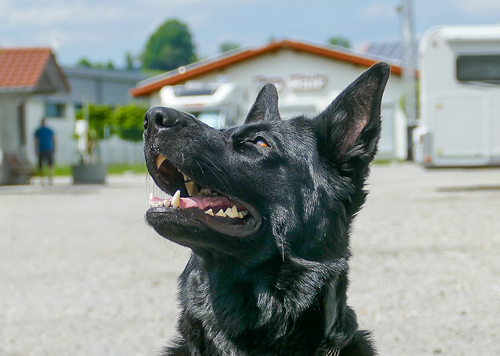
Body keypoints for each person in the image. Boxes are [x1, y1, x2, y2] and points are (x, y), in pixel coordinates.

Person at [34, 118, 56, 185]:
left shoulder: (45, 130)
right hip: (44, 148)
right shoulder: (41, 130)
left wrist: (35, 149)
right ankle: (45, 179)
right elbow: (36, 141)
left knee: (48, 164)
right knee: (44, 165)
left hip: (46, 148)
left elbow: (53, 139)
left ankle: (48, 178)